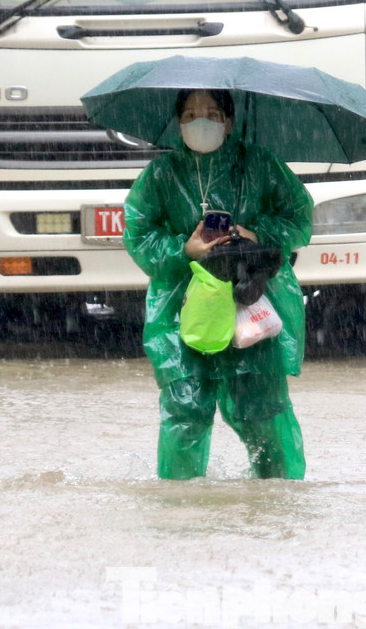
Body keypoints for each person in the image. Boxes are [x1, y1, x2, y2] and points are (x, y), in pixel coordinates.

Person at [122, 89, 314, 480]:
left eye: (211, 112)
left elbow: (298, 216)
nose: (201, 122)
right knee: (185, 407)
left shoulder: (259, 165)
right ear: (178, 123)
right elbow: (139, 235)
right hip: (183, 306)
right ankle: (181, 505)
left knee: (261, 410)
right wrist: (184, 249)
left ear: (229, 120)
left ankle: (277, 498)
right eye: (191, 114)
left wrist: (256, 234)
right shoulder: (161, 175)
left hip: (253, 298)